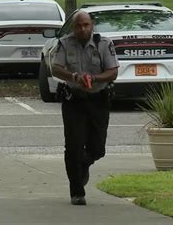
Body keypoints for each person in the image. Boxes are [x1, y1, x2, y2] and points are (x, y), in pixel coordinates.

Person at [52, 11, 119, 206]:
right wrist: (74, 77)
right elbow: (55, 68)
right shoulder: (65, 43)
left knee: (98, 148)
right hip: (74, 100)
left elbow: (113, 71)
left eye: (86, 25)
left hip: (99, 99)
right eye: (79, 25)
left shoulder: (104, 44)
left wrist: (94, 78)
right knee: (73, 146)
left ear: (92, 25)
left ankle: (84, 164)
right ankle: (77, 191)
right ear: (74, 27)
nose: (83, 29)